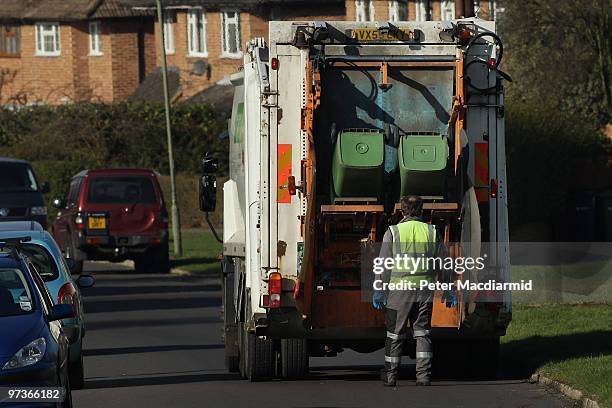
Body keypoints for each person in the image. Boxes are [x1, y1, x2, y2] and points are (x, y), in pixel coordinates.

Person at [372, 195, 438, 387]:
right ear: (422, 210)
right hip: (424, 291)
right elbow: (442, 262)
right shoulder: (432, 231)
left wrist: (379, 290)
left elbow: (384, 264)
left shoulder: (393, 232)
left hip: (399, 292)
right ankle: (423, 376)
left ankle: (391, 376)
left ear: (402, 211)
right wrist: (449, 289)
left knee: (394, 334)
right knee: (422, 333)